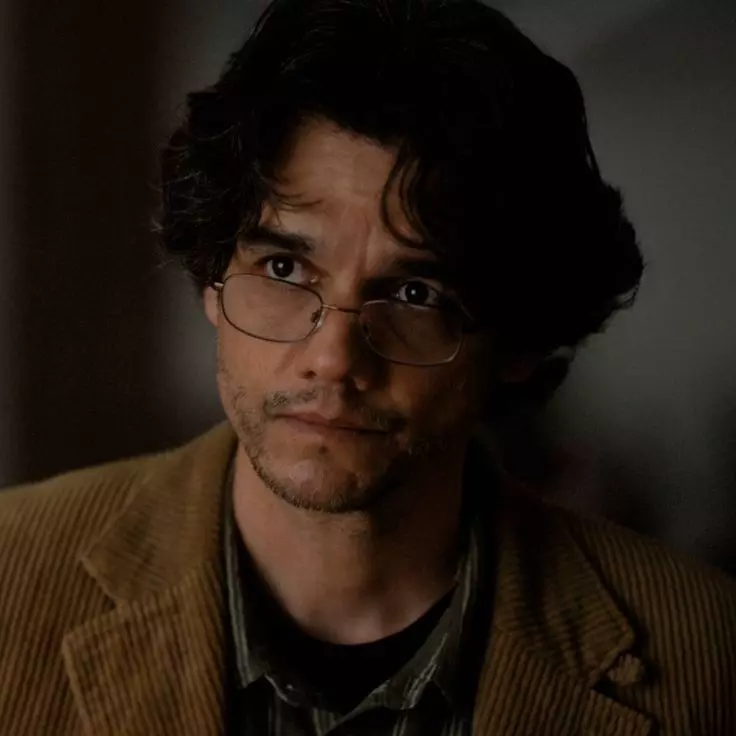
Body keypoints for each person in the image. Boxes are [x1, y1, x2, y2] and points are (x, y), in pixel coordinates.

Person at [1, 0, 734, 733]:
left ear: (518, 344)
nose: (332, 359)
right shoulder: (13, 580)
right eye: (284, 268)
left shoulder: (705, 655)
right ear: (211, 285)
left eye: (415, 294)